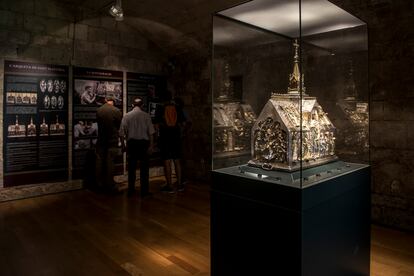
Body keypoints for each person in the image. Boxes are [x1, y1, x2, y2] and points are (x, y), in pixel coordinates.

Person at [119, 97, 155, 197]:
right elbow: (151, 133)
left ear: (132, 105)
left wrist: (123, 146)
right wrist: (151, 146)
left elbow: (121, 133)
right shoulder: (146, 116)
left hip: (132, 144)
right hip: (144, 144)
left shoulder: (126, 116)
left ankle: (131, 190)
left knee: (131, 169)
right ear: (142, 105)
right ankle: (144, 191)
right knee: (144, 169)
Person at [155, 94, 186, 193]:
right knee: (177, 161)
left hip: (165, 138)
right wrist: (180, 133)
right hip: (176, 137)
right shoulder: (177, 108)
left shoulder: (160, 108)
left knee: (167, 162)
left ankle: (169, 185)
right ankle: (180, 185)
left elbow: (156, 126)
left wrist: (157, 137)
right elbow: (183, 124)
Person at [95, 95, 122, 194]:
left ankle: (99, 184)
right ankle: (110, 185)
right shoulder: (116, 111)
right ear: (113, 101)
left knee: (99, 162)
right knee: (110, 163)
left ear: (106, 100)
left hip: (101, 140)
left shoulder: (99, 110)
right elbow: (120, 126)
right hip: (112, 141)